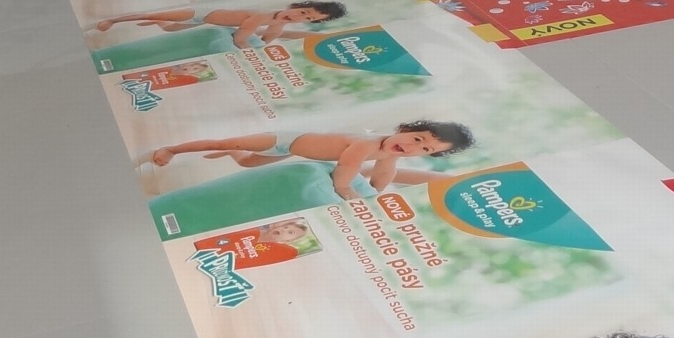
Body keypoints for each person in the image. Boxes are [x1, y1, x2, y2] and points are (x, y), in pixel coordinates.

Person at [148, 120, 474, 199]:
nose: (415, 147)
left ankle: (232, 153)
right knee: (226, 140)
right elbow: (345, 172)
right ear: (404, 129)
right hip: (286, 139)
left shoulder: (388, 154)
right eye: (417, 139)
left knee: (246, 161)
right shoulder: (366, 144)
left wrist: (374, 195)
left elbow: (383, 176)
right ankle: (173, 149)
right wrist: (347, 192)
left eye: (425, 150)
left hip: (291, 151)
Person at [93, 0, 347, 46]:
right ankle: (113, 19)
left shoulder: (279, 23)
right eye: (303, 12)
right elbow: (241, 37)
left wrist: (271, 37)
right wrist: (249, 46)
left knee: (170, 28)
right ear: (297, 6)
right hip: (204, 13)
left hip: (208, 24)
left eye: (308, 19)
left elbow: (268, 39)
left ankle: (157, 22)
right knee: (155, 15)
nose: (300, 18)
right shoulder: (264, 15)